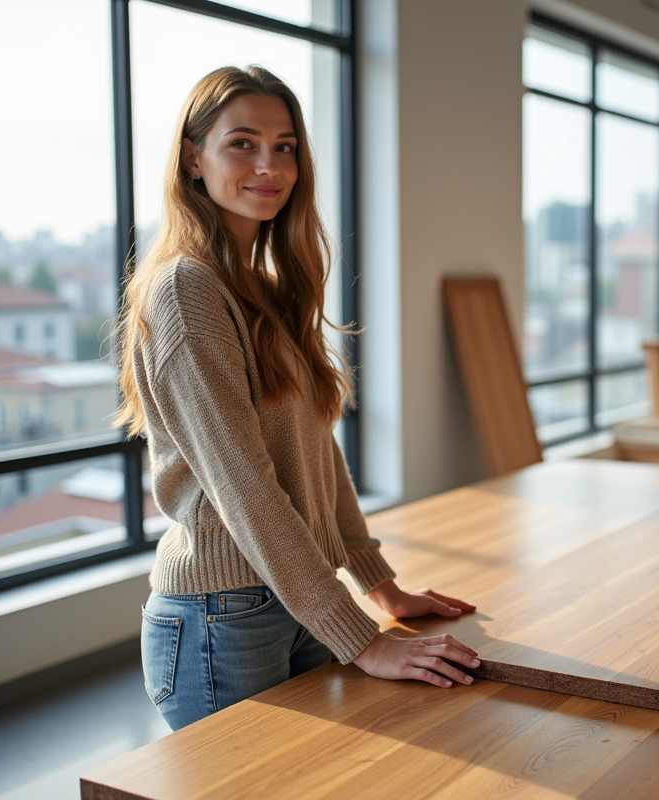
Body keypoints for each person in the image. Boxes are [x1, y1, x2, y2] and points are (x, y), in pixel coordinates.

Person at [114, 65, 478, 731]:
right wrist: (360, 638)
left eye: (285, 147)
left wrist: (380, 586)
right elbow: (243, 485)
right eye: (242, 144)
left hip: (297, 595)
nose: (269, 166)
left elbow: (315, 450)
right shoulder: (187, 290)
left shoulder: (263, 287)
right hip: (223, 618)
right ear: (192, 159)